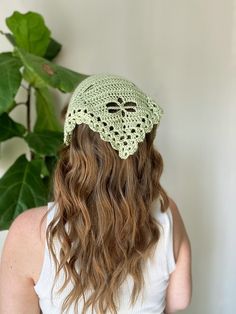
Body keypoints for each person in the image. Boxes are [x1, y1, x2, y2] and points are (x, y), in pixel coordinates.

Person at [0, 74, 192, 314]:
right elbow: (179, 301)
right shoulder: (167, 213)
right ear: (144, 149)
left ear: (73, 148)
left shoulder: (28, 232)